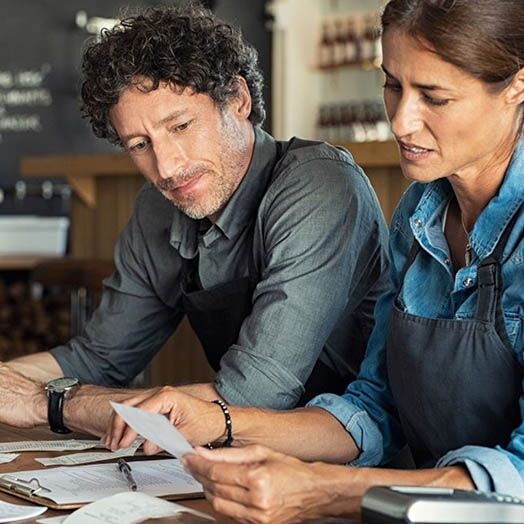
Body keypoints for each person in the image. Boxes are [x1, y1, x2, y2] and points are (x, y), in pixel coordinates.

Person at [106, 0, 524, 521]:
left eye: (434, 97)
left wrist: (326, 489)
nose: (400, 120)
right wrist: (218, 422)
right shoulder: (420, 213)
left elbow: (518, 474)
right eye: (393, 86)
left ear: (516, 87)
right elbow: (373, 408)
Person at [0, 5, 389, 436]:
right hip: (239, 459)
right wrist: (9, 386)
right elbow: (98, 358)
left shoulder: (319, 186)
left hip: (360, 468)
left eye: (181, 126)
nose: (166, 167)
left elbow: (253, 394)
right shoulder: (157, 208)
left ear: (238, 99)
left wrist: (48, 403)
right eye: (139, 144)